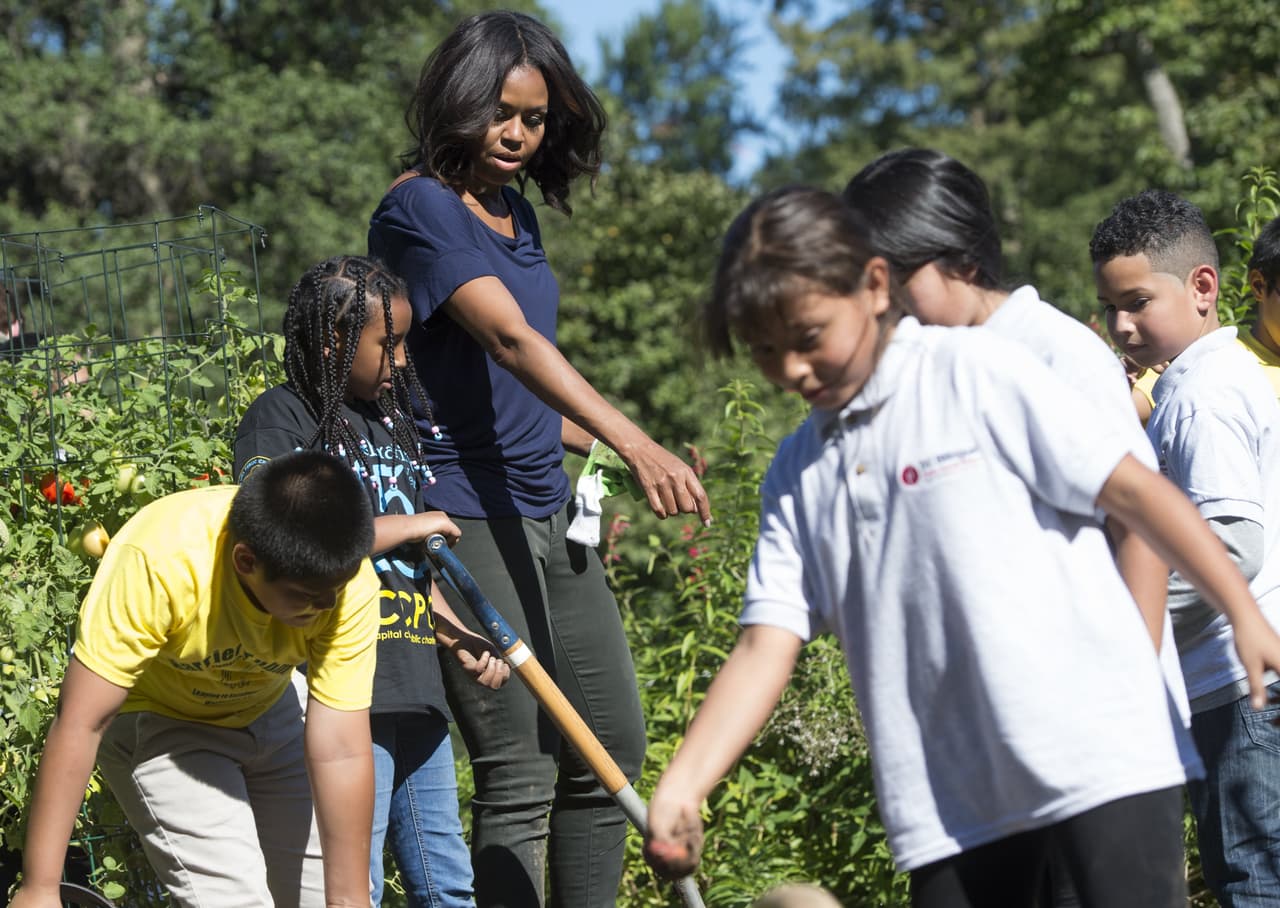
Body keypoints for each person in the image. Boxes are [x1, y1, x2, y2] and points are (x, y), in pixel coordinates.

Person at [641, 186, 1280, 908]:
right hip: (949, 800)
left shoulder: (974, 374)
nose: (790, 368)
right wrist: (685, 783)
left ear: (874, 287)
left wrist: (1241, 610)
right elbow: (766, 643)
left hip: (1102, 756)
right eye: (764, 350)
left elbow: (1135, 494)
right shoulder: (798, 470)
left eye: (809, 336)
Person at [368, 11, 710, 907]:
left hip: (548, 507)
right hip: (463, 510)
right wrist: (635, 439)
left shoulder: (512, 209)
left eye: (535, 118)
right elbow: (511, 341)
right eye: (502, 113)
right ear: (458, 101)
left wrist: (604, 451)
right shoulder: (419, 207)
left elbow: (508, 387)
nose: (519, 134)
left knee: (610, 752)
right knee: (520, 766)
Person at [841, 149, 1188, 907]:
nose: (878, 308)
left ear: (958, 261)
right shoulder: (914, 374)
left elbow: (1140, 527)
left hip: (1098, 745)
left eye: (891, 283)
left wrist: (1126, 698)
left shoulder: (1056, 353)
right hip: (983, 751)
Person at [233, 256, 511, 907]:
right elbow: (282, 530)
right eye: (389, 343)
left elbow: (404, 568)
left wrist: (457, 636)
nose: (403, 360)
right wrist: (409, 526)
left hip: (413, 685)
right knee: (353, 883)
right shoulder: (282, 416)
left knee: (448, 885)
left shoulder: (389, 425)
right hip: (339, 690)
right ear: (334, 340)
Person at [10, 450, 382, 908]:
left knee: (324, 895)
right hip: (161, 721)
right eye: (306, 596)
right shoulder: (160, 559)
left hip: (273, 710)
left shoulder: (341, 581)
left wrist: (349, 900)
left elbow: (341, 748)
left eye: (336, 590)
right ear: (245, 561)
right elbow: (81, 721)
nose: (327, 605)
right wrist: (40, 887)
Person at [1092, 189, 1280, 907]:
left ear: (1204, 286)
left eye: (1137, 302)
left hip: (1237, 689)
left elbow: (1231, 547)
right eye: (1111, 307)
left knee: (1253, 883)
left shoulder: (1202, 395)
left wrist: (1121, 625)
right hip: (1240, 685)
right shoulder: (1208, 378)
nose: (1121, 325)